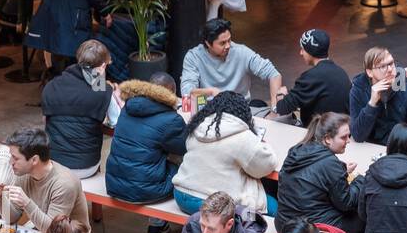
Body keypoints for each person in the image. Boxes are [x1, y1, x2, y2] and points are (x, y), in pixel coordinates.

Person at [173, 91, 278, 215]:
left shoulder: (197, 126)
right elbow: (264, 167)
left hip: (181, 196)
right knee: (274, 208)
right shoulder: (243, 136)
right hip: (214, 206)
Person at [104, 73, 188, 205]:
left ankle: (157, 224)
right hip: (144, 192)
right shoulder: (170, 119)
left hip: (114, 185)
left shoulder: (127, 107)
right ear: (172, 93)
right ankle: (158, 223)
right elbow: (184, 147)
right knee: (182, 161)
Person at [274, 112, 362, 233]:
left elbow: (315, 173)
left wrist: (341, 171)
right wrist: (360, 180)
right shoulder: (330, 164)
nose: (348, 141)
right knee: (362, 214)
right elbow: (346, 203)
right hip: (309, 231)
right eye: (344, 137)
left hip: (283, 224)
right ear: (327, 139)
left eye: (349, 136)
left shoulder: (296, 150)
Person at [41, 39, 116, 178]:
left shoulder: (52, 85)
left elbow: (46, 122)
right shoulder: (103, 91)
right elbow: (115, 121)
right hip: (86, 166)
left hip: (54, 163)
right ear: (102, 67)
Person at [179, 17, 282, 107]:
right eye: (222, 43)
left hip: (239, 108)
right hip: (208, 110)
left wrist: (274, 107)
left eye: (229, 40)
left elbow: (273, 74)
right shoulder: (193, 57)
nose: (228, 46)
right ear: (208, 43)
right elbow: (187, 92)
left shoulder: (241, 52)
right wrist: (211, 92)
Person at [348, 46, 407, 147]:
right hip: (371, 147)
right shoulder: (359, 89)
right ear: (369, 72)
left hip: (403, 147)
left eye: (391, 63)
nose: (390, 69)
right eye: (382, 66)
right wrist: (372, 103)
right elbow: (358, 135)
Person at [274, 29, 350, 124]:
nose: (300, 53)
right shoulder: (341, 73)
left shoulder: (310, 78)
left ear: (311, 51)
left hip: (318, 133)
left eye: (303, 49)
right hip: (341, 129)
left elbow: (282, 109)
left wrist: (281, 95)